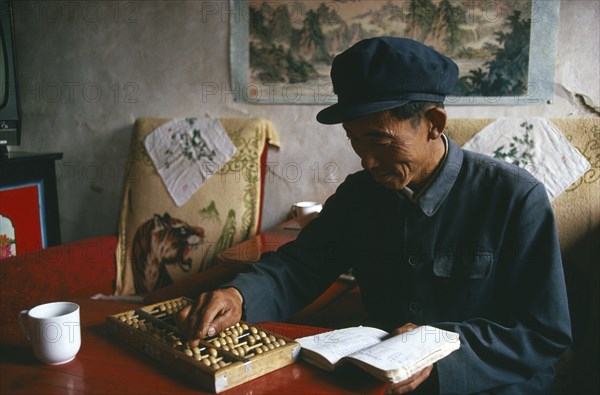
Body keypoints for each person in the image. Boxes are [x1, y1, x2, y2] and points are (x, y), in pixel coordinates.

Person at [177, 37, 572, 394]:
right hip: (385, 380)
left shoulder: (515, 197)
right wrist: (240, 295)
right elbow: (300, 267)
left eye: (380, 140)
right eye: (355, 141)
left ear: (433, 124)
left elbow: (542, 333)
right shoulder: (360, 194)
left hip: (491, 384)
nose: (366, 160)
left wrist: (436, 347)